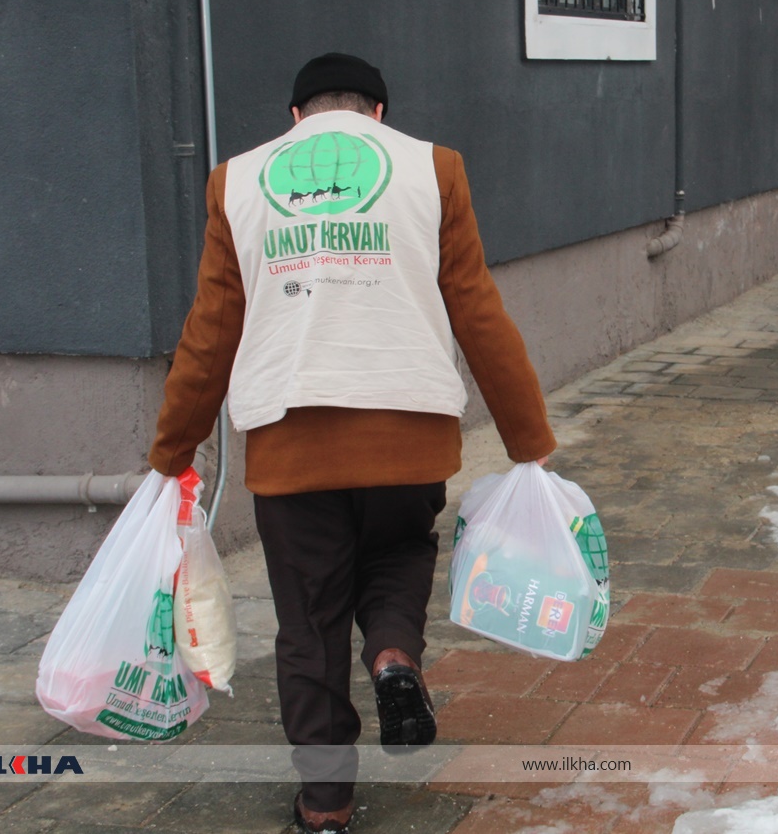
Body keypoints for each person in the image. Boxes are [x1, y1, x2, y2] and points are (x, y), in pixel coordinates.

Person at [148, 52, 556, 834]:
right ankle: (395, 658)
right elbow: (476, 308)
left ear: (296, 118)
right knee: (399, 554)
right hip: (409, 431)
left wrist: (173, 449)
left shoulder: (237, 179)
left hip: (291, 440)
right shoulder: (432, 168)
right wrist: (526, 438)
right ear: (377, 114)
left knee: (309, 621)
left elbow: (211, 330)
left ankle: (326, 804)